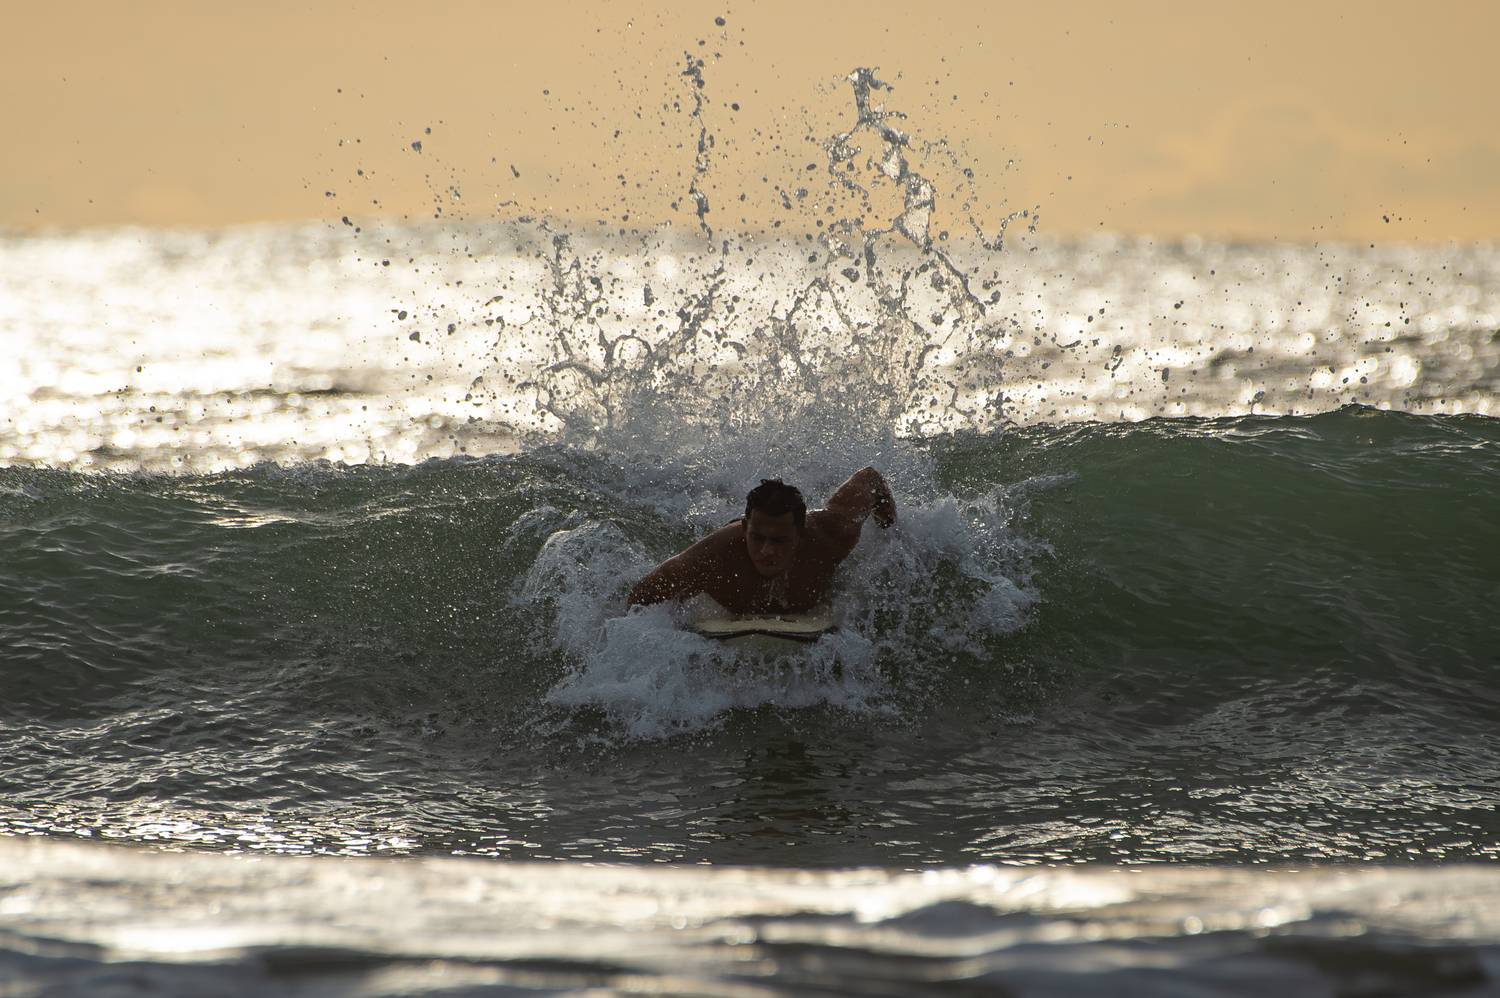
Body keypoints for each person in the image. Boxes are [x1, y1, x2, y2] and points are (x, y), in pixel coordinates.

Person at [627, 467, 896, 615]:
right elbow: (639, 598)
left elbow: (870, 478)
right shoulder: (713, 556)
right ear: (745, 529)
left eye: (779, 541)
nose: (766, 551)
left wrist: (890, 531)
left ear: (799, 535)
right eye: (757, 538)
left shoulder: (832, 533)